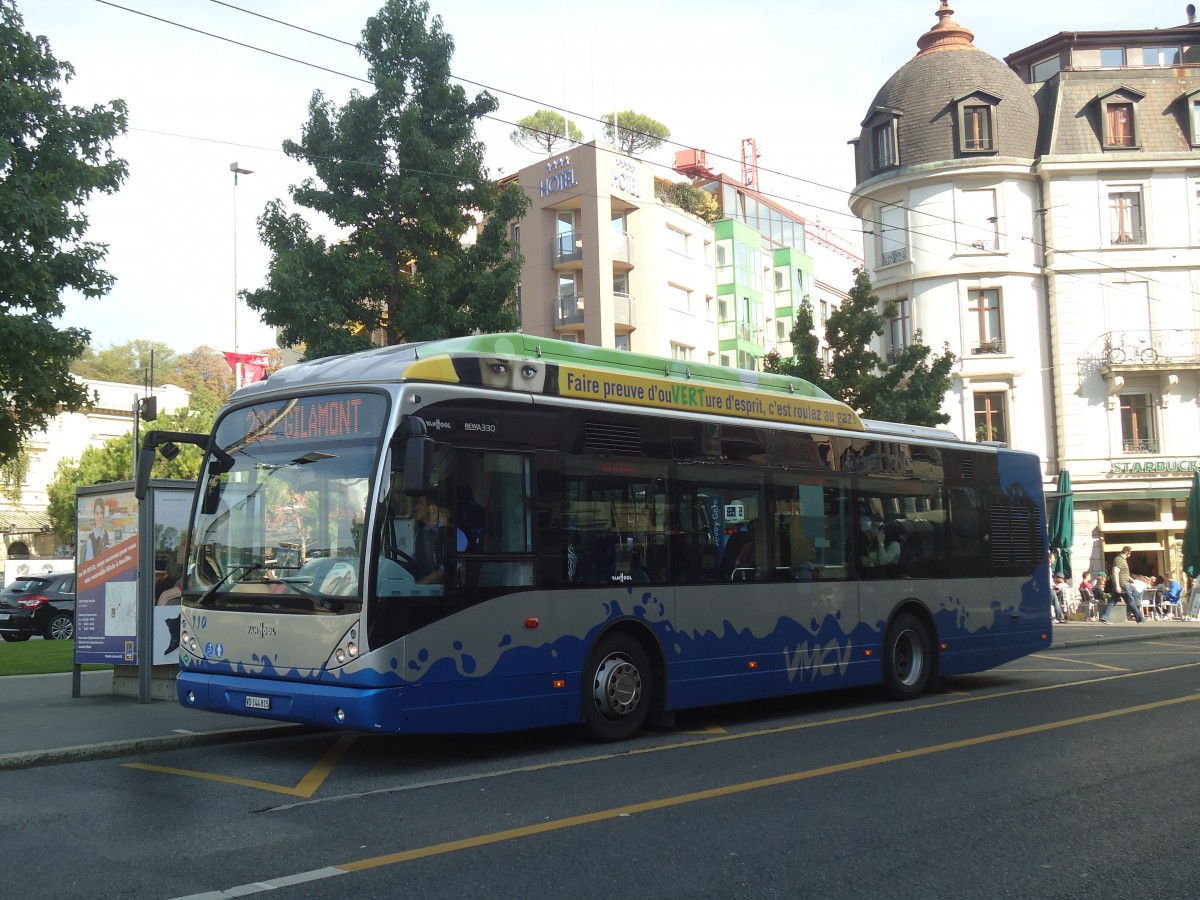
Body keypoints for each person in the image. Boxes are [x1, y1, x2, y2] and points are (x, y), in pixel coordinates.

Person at [1100, 546, 1143, 623]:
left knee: (1112, 601)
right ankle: (1140, 618)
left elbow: (1123, 572)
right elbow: (1115, 572)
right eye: (1130, 554)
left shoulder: (1122, 560)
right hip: (1122, 585)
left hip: (1122, 583)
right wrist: (1117, 586)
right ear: (1128, 553)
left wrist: (1131, 579)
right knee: (1130, 601)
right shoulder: (1119, 560)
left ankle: (1104, 617)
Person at [83, 497, 111, 562]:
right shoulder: (90, 539)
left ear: (103, 515)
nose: (99, 516)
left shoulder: (106, 534)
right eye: (97, 513)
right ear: (94, 515)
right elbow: (89, 565)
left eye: (101, 513)